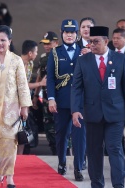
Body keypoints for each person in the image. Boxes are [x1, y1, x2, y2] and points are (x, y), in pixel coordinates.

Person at [71, 26, 125, 188]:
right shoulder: (83, 61)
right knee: (94, 151)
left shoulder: (120, 59)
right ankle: (97, 184)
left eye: (96, 42)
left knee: (115, 149)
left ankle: (118, 185)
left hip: (115, 113)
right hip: (92, 113)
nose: (92, 45)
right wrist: (75, 110)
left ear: (106, 41)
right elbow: (77, 87)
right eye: (90, 42)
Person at [0, 25, 31, 188]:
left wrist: (25, 106)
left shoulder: (16, 60)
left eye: (3, 40)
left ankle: (10, 177)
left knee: (9, 143)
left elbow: (22, 84)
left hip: (11, 108)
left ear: (9, 41)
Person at [46, 19, 86, 181]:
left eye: (72, 32)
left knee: (79, 136)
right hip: (61, 101)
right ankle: (62, 162)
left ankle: (78, 167)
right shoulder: (55, 53)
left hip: (80, 102)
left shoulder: (84, 52)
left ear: (77, 35)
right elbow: (50, 78)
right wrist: (51, 99)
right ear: (62, 33)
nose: (69, 35)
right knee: (61, 135)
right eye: (66, 32)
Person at [33, 31, 59, 155]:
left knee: (62, 127)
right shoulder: (43, 59)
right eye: (45, 44)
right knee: (49, 128)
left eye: (49, 43)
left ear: (56, 43)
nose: (47, 46)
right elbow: (39, 78)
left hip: (61, 99)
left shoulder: (62, 56)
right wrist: (35, 96)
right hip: (47, 100)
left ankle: (66, 154)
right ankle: (55, 152)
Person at [18, 39, 44, 155]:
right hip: (16, 103)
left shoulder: (31, 64)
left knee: (23, 132)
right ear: (30, 53)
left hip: (25, 101)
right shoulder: (18, 64)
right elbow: (22, 85)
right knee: (16, 131)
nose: (37, 54)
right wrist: (40, 84)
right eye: (36, 52)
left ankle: (21, 157)